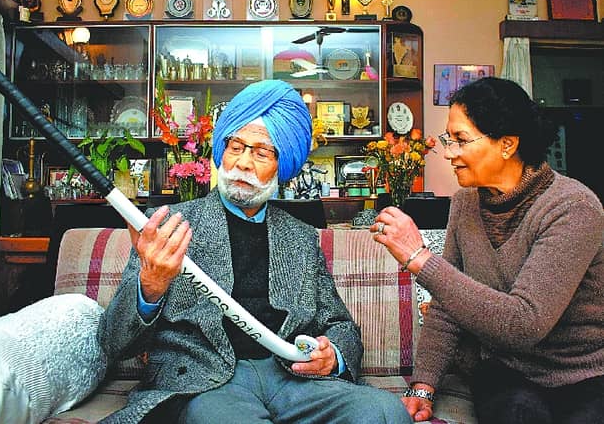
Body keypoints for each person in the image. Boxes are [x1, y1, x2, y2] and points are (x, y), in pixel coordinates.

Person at [98, 79, 411, 423]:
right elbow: (113, 342)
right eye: (236, 147)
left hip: (292, 378)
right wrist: (150, 285)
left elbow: (340, 324)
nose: (244, 162)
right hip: (207, 384)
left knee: (386, 412)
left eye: (262, 153)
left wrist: (333, 355)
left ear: (282, 166)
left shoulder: (301, 237)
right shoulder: (168, 226)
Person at [370, 77, 604, 423]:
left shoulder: (572, 208)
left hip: (581, 375)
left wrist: (420, 258)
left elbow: (525, 323)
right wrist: (423, 386)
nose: (448, 152)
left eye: (461, 140)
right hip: (504, 370)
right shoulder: (465, 203)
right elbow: (447, 306)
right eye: (449, 139)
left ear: (507, 144)